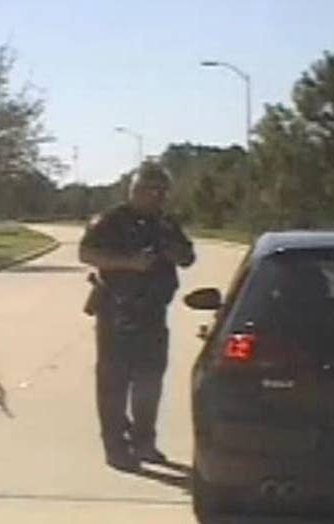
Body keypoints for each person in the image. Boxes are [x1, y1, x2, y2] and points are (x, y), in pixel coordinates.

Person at [78, 161, 195, 472]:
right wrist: (128, 263)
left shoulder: (166, 224)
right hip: (116, 311)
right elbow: (87, 253)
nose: (153, 196)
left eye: (159, 190)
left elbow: (188, 256)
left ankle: (145, 442)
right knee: (114, 382)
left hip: (153, 313)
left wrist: (175, 253)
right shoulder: (111, 221)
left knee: (150, 380)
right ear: (133, 190)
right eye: (145, 189)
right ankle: (115, 447)